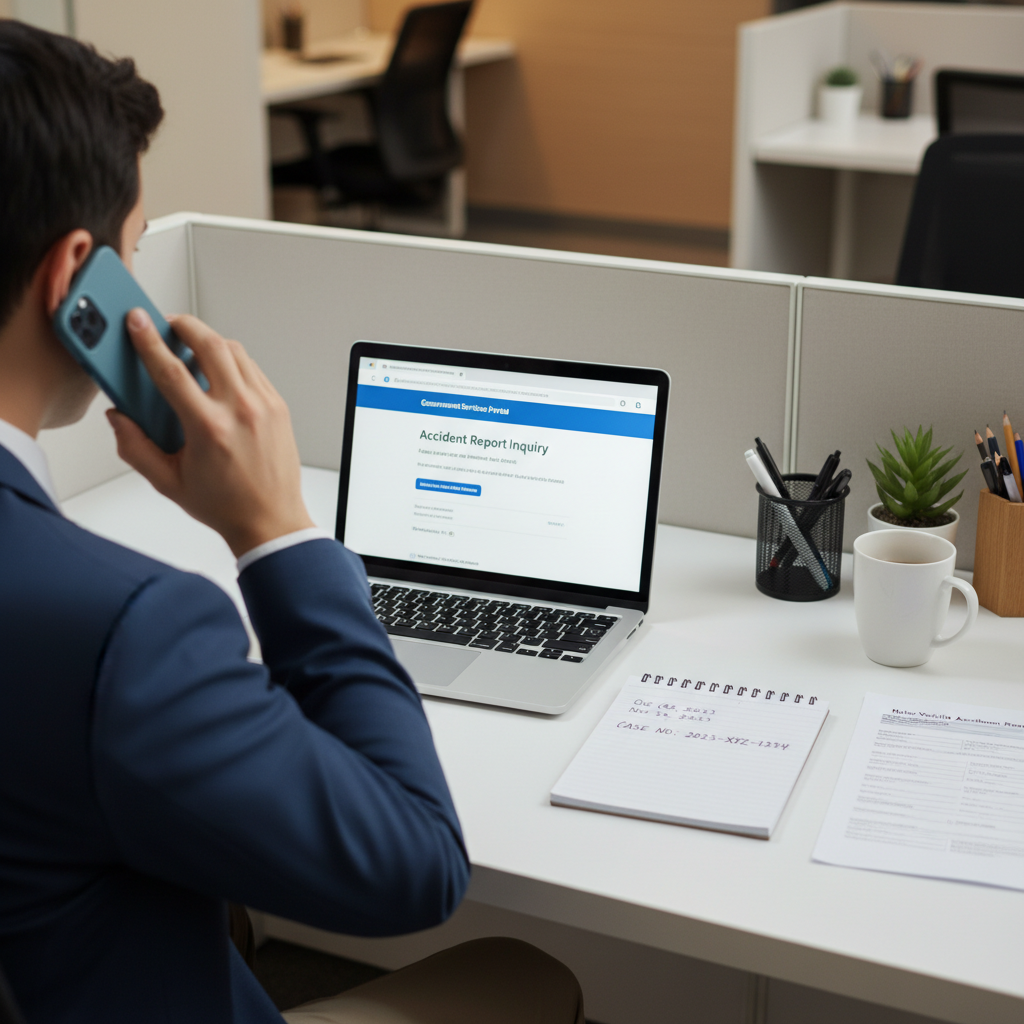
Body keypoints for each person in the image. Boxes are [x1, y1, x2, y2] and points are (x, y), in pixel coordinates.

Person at [0, 20, 584, 1024]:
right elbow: (415, 865)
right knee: (529, 974)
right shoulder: (120, 632)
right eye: (133, 253)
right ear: (74, 280)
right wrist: (277, 532)